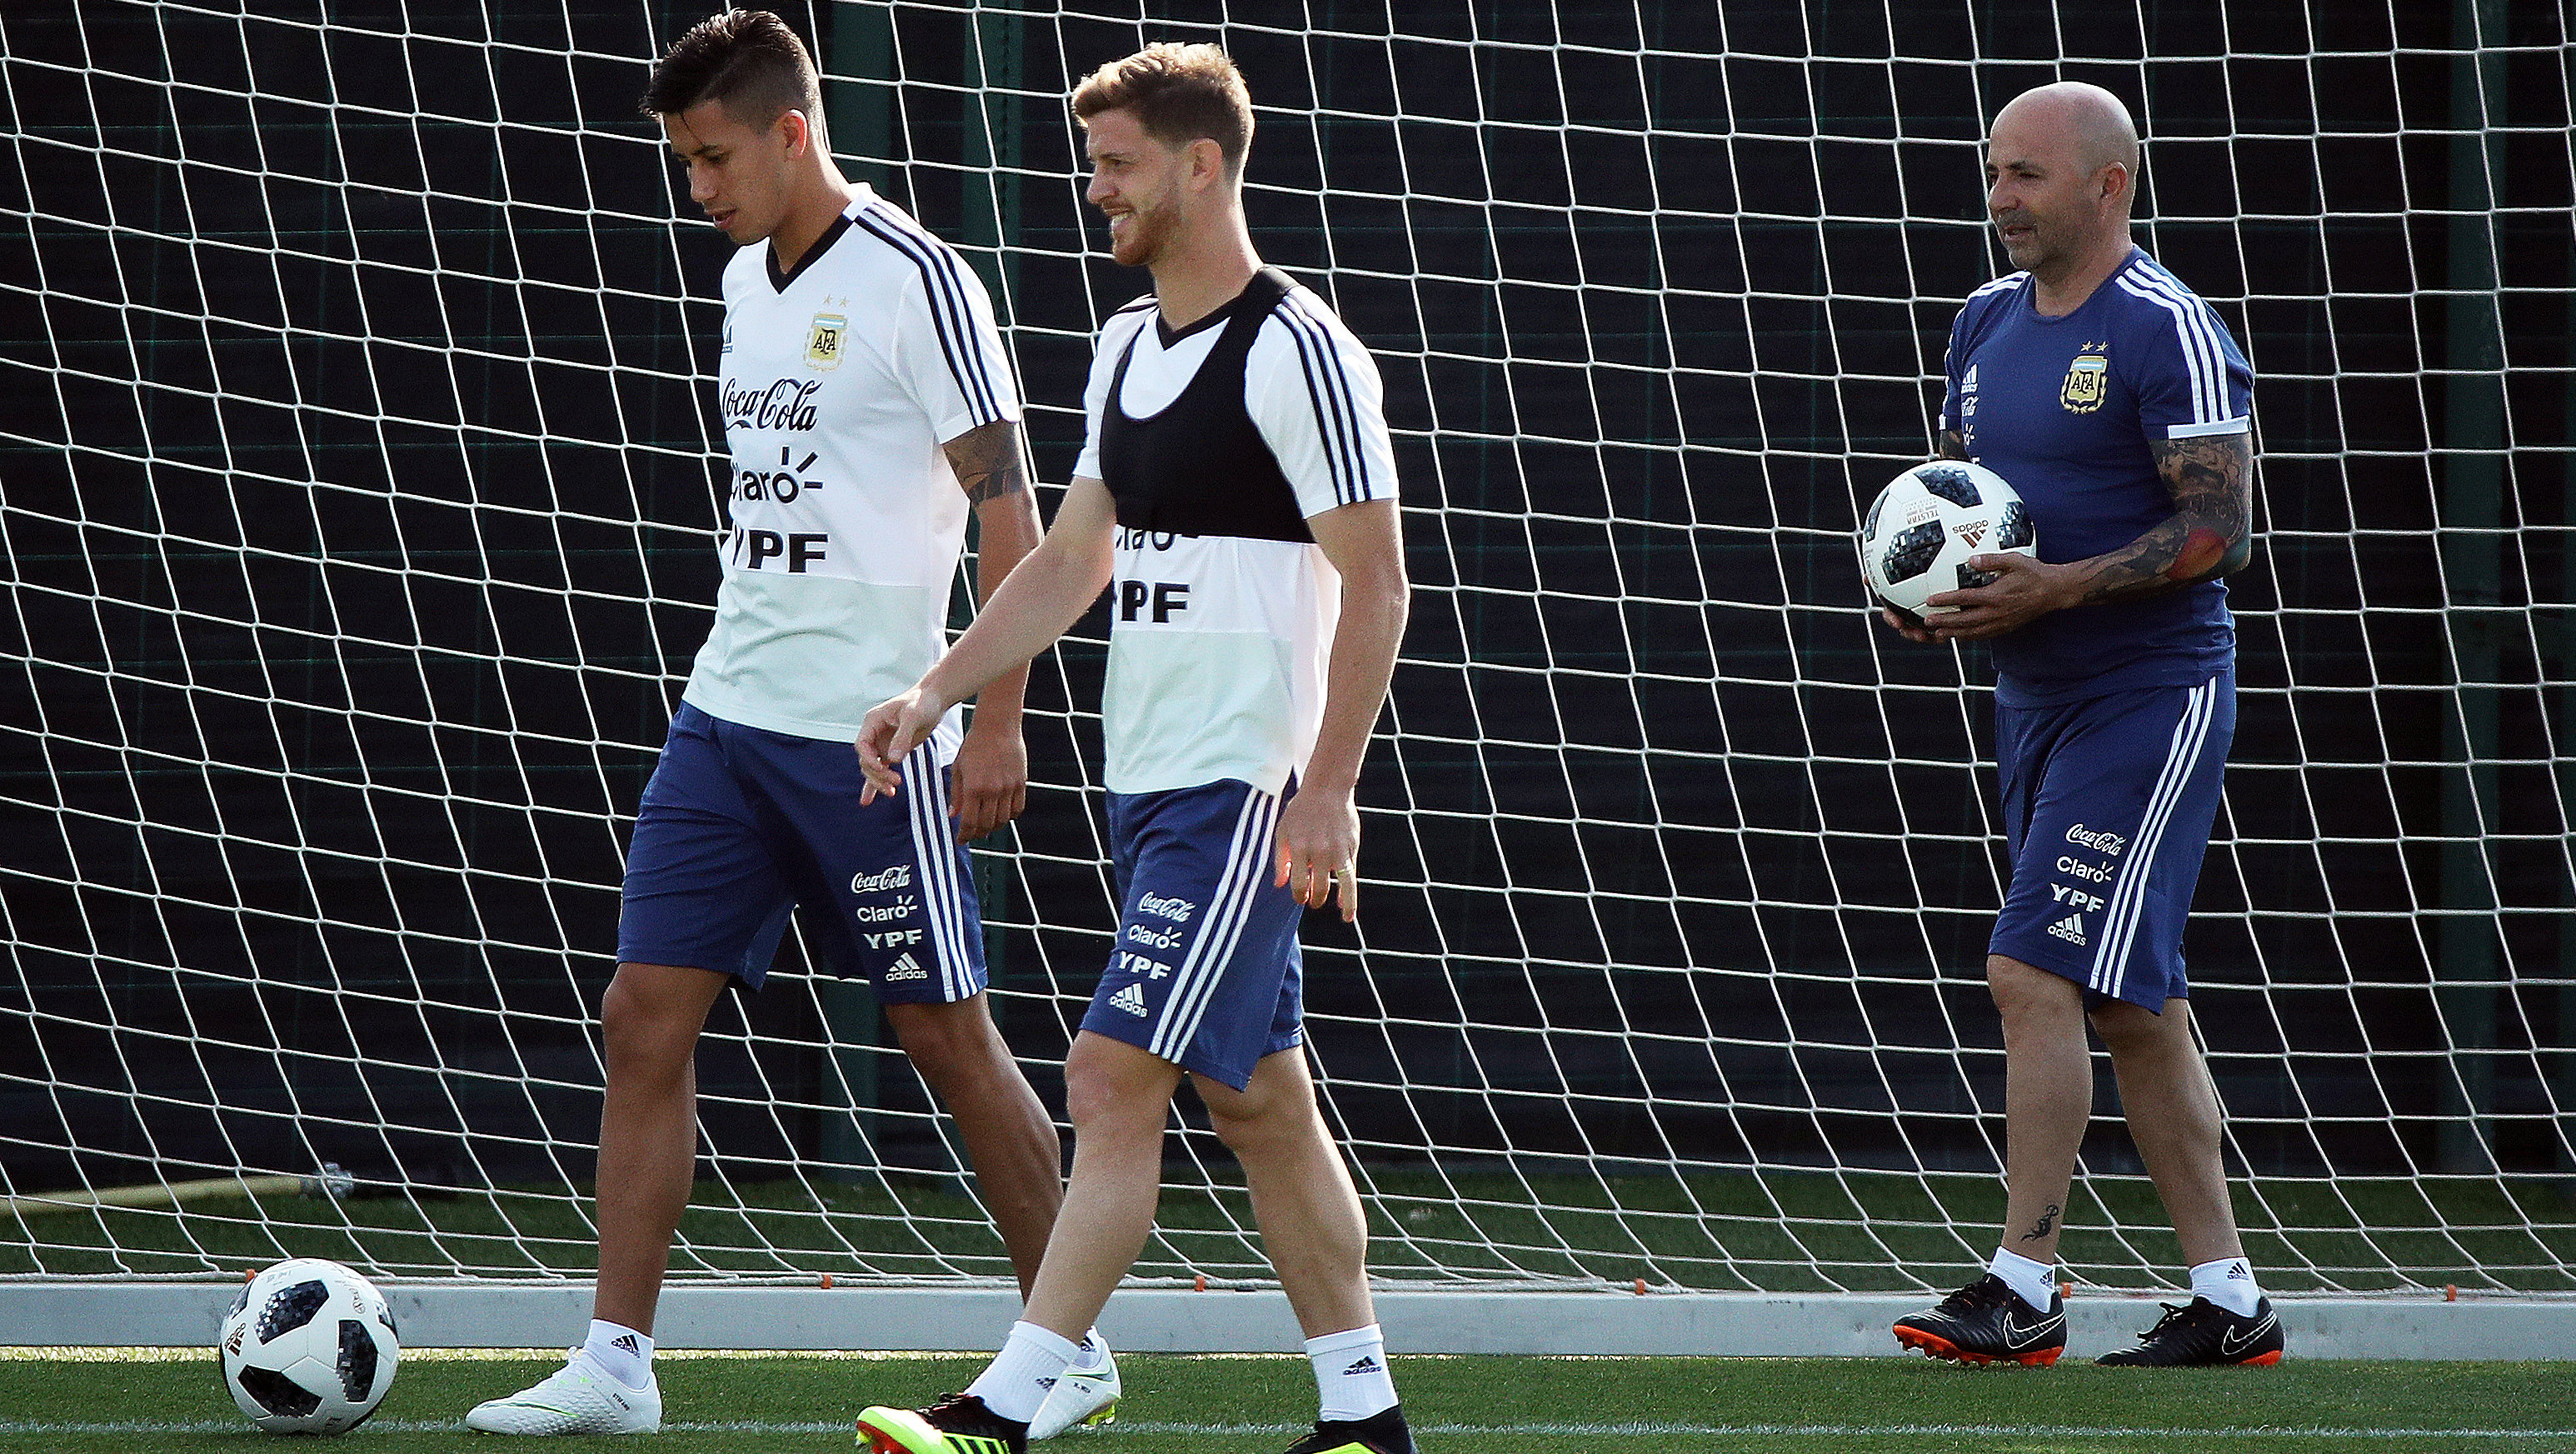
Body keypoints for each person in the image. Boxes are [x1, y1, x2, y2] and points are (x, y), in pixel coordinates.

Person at [464, 11, 1116, 1434]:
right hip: (725, 715)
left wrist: (993, 719)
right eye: (683, 162)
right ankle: (616, 1362)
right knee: (642, 1015)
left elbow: (1014, 515)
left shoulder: (918, 279)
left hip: (870, 740)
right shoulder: (742, 281)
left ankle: (1065, 1344)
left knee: (943, 1032)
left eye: (714, 158)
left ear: (792, 133)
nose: (697, 187)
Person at [847, 42, 1415, 1454]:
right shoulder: (1121, 345)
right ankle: (1367, 1416)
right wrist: (936, 689)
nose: (1093, 188)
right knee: (1259, 1099)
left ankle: (1007, 1405)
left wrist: (1329, 788)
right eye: (1090, 162)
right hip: (1148, 789)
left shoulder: (1298, 349)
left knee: (1108, 1077)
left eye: (1117, 164)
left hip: (1243, 791)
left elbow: (1380, 583)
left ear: (1200, 166)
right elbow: (1068, 562)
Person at [1884, 81, 2283, 1368]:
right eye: (1993, 172)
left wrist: (2059, 586)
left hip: (2151, 693)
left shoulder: (2168, 326)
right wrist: (1943, 598)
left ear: (2109, 185)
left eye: (2027, 176)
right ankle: (2230, 1301)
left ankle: (2023, 1286)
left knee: (2031, 969)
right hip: (2033, 694)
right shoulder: (1982, 322)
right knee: (2133, 1002)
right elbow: (1969, 505)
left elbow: (2221, 528)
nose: (1999, 198)